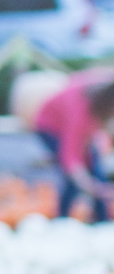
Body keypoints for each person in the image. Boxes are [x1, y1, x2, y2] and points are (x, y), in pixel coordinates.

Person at [33, 70, 114, 220]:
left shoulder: (105, 90)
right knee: (72, 179)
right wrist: (89, 185)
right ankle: (62, 221)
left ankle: (102, 221)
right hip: (50, 128)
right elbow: (71, 160)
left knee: (97, 170)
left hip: (81, 129)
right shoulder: (79, 114)